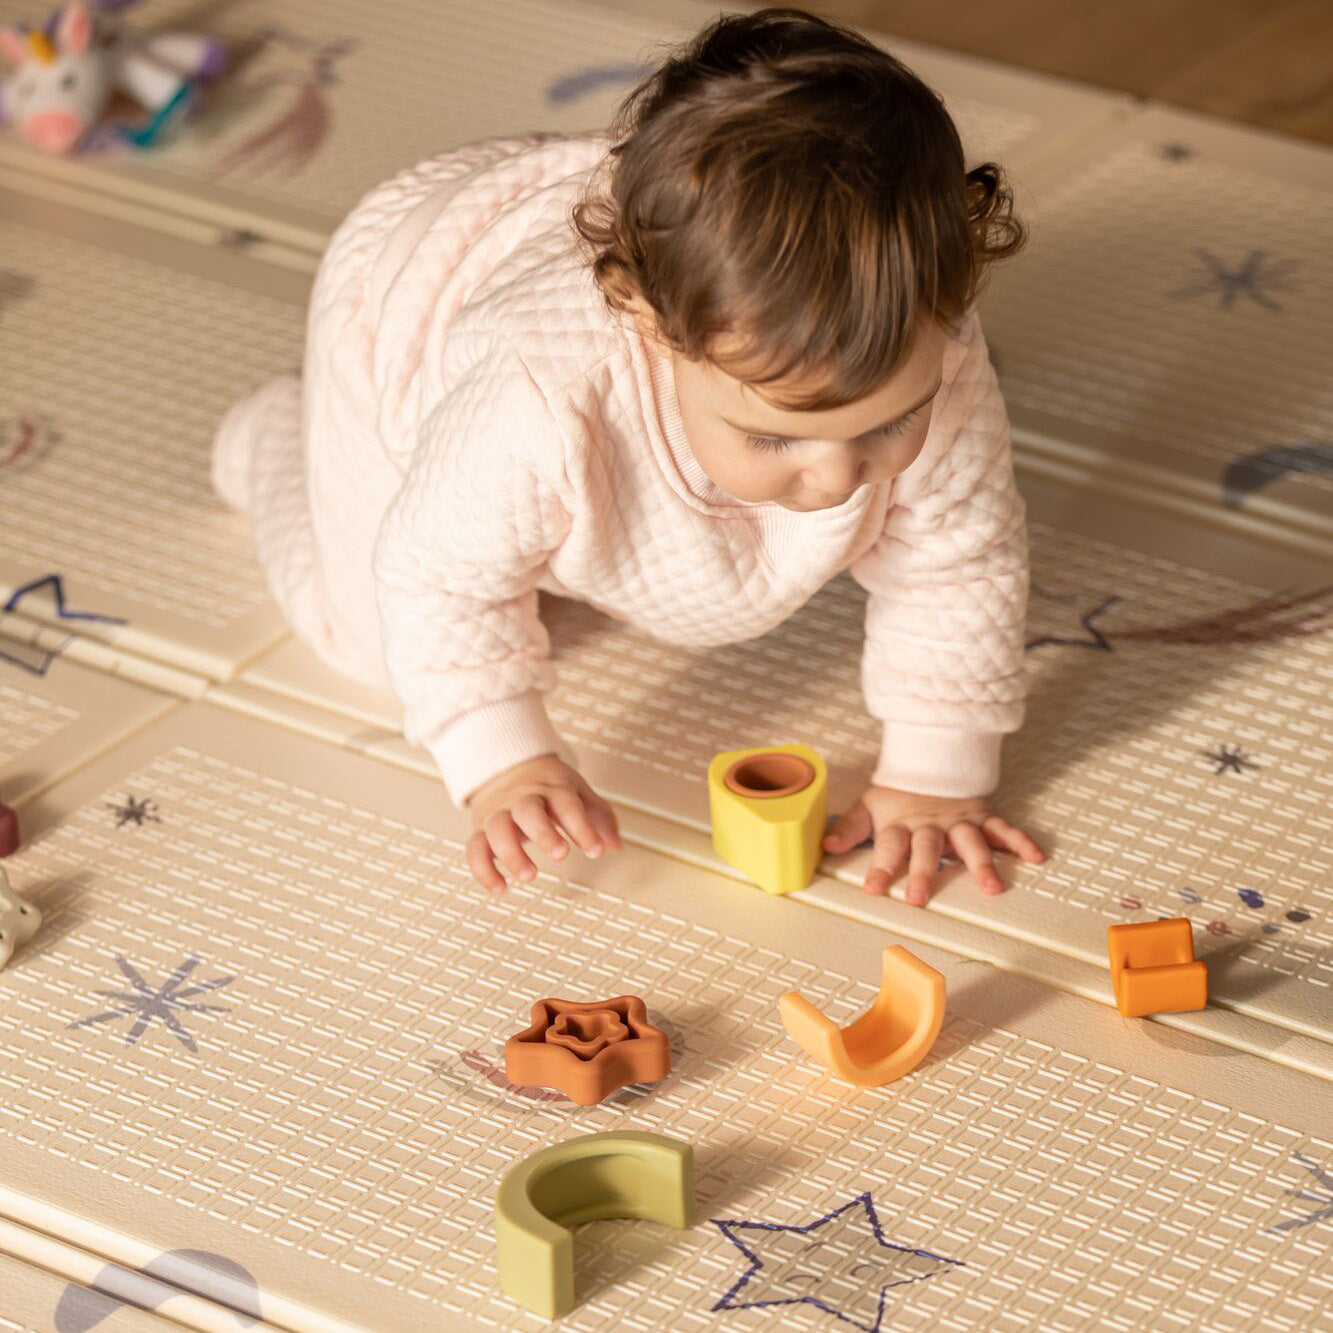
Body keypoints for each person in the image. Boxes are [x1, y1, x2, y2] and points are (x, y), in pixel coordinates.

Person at [212, 7, 1046, 905]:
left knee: (918, 479)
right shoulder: (539, 393)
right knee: (378, 643)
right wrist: (505, 760)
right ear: (652, 326)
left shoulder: (935, 348)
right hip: (405, 311)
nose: (842, 478)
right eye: (773, 436)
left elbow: (960, 561)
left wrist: (935, 769)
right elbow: (436, 579)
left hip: (658, 246)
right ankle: (274, 437)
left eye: (888, 422)